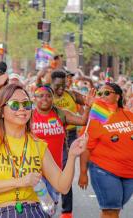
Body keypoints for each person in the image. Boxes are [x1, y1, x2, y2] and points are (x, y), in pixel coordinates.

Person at [0, 84, 87, 217]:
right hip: (0, 213)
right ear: (1, 111)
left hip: (34, 212)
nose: (22, 109)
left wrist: (72, 155)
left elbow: (62, 186)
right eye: (15, 105)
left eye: (26, 104)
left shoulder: (38, 144)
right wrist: (20, 182)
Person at [31, 85, 94, 207]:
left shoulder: (61, 114)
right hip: (33, 172)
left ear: (53, 99)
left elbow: (82, 121)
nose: (45, 99)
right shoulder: (28, 116)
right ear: (34, 99)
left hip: (55, 171)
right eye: (40, 96)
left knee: (50, 208)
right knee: (35, 208)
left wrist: (88, 107)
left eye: (49, 96)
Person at [79, 83, 133, 218]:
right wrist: (83, 173)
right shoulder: (98, 117)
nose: (102, 96)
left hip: (129, 172)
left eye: (107, 93)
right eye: (100, 93)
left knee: (115, 209)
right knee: (110, 210)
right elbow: (86, 147)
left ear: (118, 96)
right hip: (104, 170)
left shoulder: (128, 115)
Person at [50, 70, 87, 218]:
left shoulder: (72, 95)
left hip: (70, 135)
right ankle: (47, 202)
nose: (61, 89)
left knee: (66, 170)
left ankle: (66, 212)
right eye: (58, 86)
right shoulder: (45, 95)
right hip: (50, 135)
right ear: (51, 82)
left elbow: (89, 102)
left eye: (63, 85)